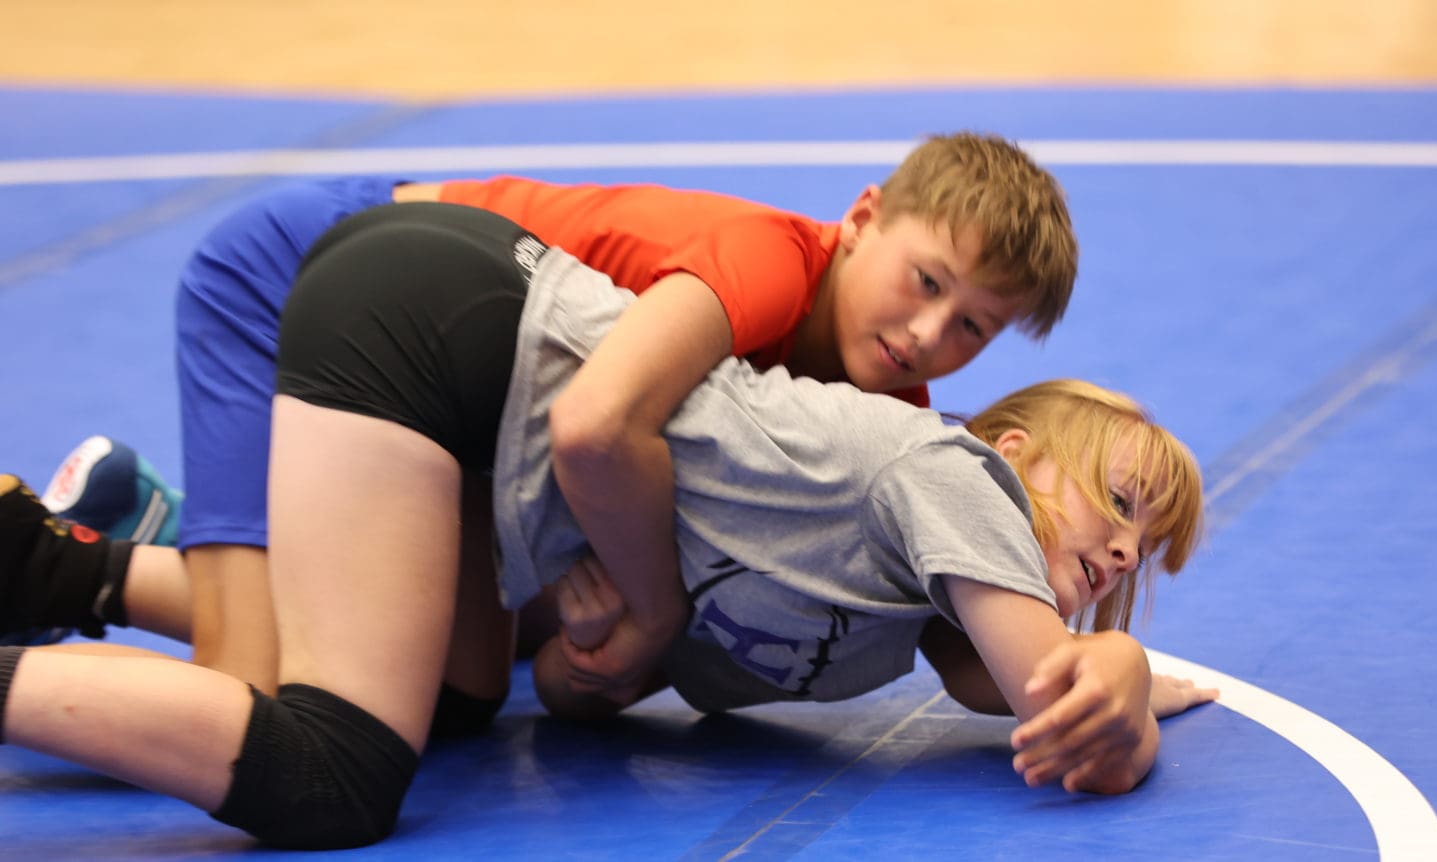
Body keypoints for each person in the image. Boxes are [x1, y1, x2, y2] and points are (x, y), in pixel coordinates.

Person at [0, 203, 1199, 850]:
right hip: (453, 323)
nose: (1118, 556)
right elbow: (1058, 688)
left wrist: (1124, 666)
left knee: (461, 699)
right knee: (335, 768)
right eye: (1123, 504)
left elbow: (581, 692)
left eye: (1140, 561)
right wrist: (1118, 679)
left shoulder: (914, 616)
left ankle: (47, 563)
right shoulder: (956, 479)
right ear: (1019, 455)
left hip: (462, 337)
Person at [4, 132, 1078, 710]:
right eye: (925, 281)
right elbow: (598, 428)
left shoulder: (889, 407)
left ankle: (140, 514)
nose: (929, 335)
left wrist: (1104, 666)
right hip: (314, 280)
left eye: (973, 329)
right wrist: (650, 611)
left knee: (471, 676)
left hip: (460, 408)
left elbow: (956, 638)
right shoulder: (761, 261)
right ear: (859, 219)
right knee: (252, 697)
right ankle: (52, 571)